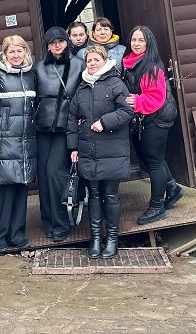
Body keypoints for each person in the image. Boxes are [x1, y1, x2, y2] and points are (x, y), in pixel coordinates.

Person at [68, 44, 134, 259]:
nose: (92, 63)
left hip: (112, 149)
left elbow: (127, 111)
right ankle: (96, 238)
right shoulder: (82, 87)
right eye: (89, 60)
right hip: (88, 149)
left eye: (96, 60)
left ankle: (112, 238)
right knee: (94, 195)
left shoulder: (116, 84)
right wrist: (73, 147)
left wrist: (104, 122)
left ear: (105, 61)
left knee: (111, 195)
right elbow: (72, 119)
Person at [122, 25, 184, 224]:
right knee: (148, 157)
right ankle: (172, 188)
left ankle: (157, 207)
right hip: (146, 117)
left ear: (149, 43)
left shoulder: (151, 67)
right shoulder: (131, 62)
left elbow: (155, 98)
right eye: (134, 40)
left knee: (154, 161)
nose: (136, 44)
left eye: (141, 40)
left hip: (157, 117)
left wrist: (136, 101)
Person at [0, 34, 37, 252]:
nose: (16, 55)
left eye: (19, 51)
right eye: (11, 51)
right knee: (3, 191)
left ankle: (17, 235)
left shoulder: (30, 75)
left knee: (21, 190)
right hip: (3, 142)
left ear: (25, 52)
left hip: (25, 142)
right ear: (4, 54)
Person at [33, 26, 84, 242]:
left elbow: (85, 93)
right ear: (47, 45)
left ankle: (62, 222)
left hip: (67, 127)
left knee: (55, 172)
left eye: (61, 41)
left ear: (67, 42)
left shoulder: (79, 64)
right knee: (43, 175)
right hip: (43, 127)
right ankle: (49, 222)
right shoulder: (38, 68)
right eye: (53, 42)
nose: (57, 45)